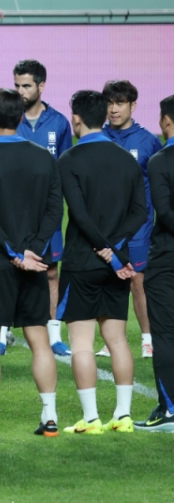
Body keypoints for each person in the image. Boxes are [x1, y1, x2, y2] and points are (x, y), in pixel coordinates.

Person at [0, 89, 63, 439]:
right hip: (35, 263)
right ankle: (50, 418)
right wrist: (32, 250)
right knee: (39, 339)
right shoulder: (45, 159)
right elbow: (54, 211)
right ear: (21, 117)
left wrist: (12, 252)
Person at [56, 90, 147, 435]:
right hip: (118, 264)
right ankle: (123, 416)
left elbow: (78, 214)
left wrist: (103, 249)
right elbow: (140, 212)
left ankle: (91, 418)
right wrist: (115, 249)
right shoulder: (126, 159)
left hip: (83, 262)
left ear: (76, 119)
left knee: (81, 342)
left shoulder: (68, 160)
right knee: (118, 340)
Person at [3, 60, 75, 357]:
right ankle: (3, 333)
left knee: (50, 272)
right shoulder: (9, 119)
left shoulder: (59, 123)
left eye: (26, 85)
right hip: (11, 208)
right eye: (17, 84)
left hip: (47, 210)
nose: (20, 90)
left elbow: (67, 166)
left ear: (41, 86)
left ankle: (54, 334)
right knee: (8, 268)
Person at [100, 80, 161, 360]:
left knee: (137, 281)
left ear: (132, 105)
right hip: (106, 226)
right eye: (110, 103)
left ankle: (147, 340)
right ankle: (110, 339)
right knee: (109, 279)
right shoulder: (98, 138)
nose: (113, 109)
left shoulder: (148, 141)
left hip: (138, 227)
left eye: (120, 103)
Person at [138, 93, 174, 433]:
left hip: (167, 259)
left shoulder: (160, 161)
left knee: (165, 334)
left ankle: (171, 409)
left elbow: (164, 213)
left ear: (166, 122)